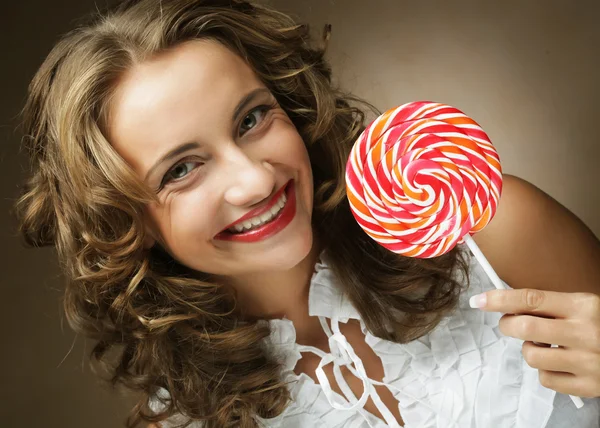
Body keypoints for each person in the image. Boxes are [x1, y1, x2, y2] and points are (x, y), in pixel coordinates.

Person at [13, 0, 600, 427]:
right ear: (126, 222)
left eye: (251, 119)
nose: (255, 179)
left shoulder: (492, 230)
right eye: (181, 169)